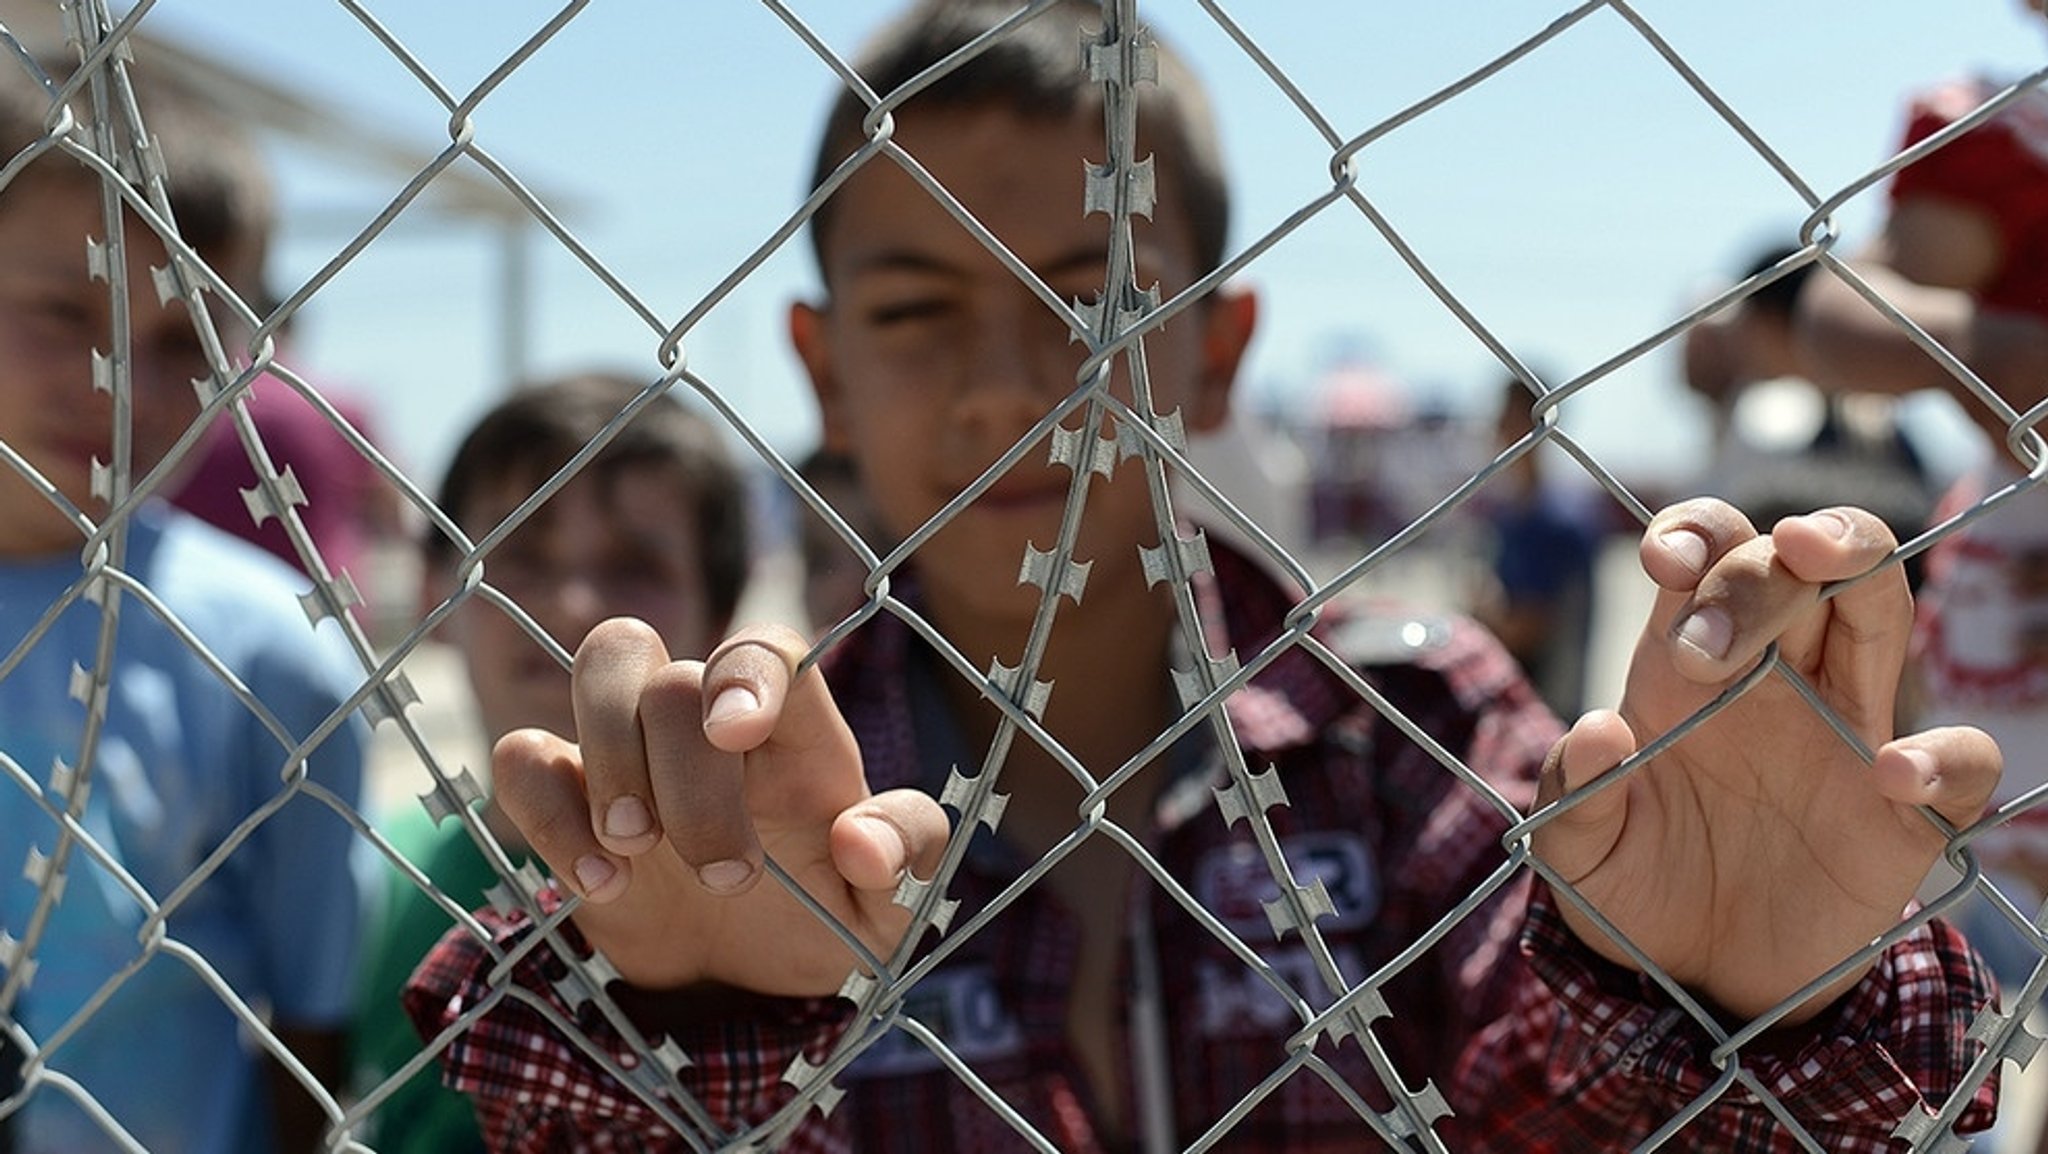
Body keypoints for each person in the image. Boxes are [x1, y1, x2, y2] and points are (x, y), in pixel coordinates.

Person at [406, 2, 2004, 1150]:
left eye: (1090, 302)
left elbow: (1538, 1096)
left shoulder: (1412, 731)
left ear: (1214, 346)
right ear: (820, 370)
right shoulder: (764, 811)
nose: (1003, 387)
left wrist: (1729, 1008)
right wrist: (701, 1036)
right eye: (913, 311)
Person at [0, 54, 366, 1153]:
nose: (123, 385)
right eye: (67, 315)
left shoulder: (269, 650)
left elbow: (315, 1017)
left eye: (184, 344)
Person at [348, 372, 751, 1153]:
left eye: (635, 566)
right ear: (437, 593)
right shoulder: (376, 876)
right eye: (520, 557)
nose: (573, 607)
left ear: (722, 613)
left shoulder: (751, 892)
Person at [1793, 20, 2048, 1151]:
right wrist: (1994, 343)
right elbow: (1842, 313)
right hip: (2025, 627)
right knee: (1967, 1012)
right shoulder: (2000, 129)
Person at [1685, 245, 1938, 585]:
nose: (1739, 342)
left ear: (1770, 321)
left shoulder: (1774, 414)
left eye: (1747, 322)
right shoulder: (1879, 416)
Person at [1470, 374, 1603, 718]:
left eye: (1504, 415)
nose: (1496, 426)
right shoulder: (1514, 512)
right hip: (1519, 701)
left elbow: (1525, 627)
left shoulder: (1553, 519)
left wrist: (1480, 615)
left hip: (1545, 708)